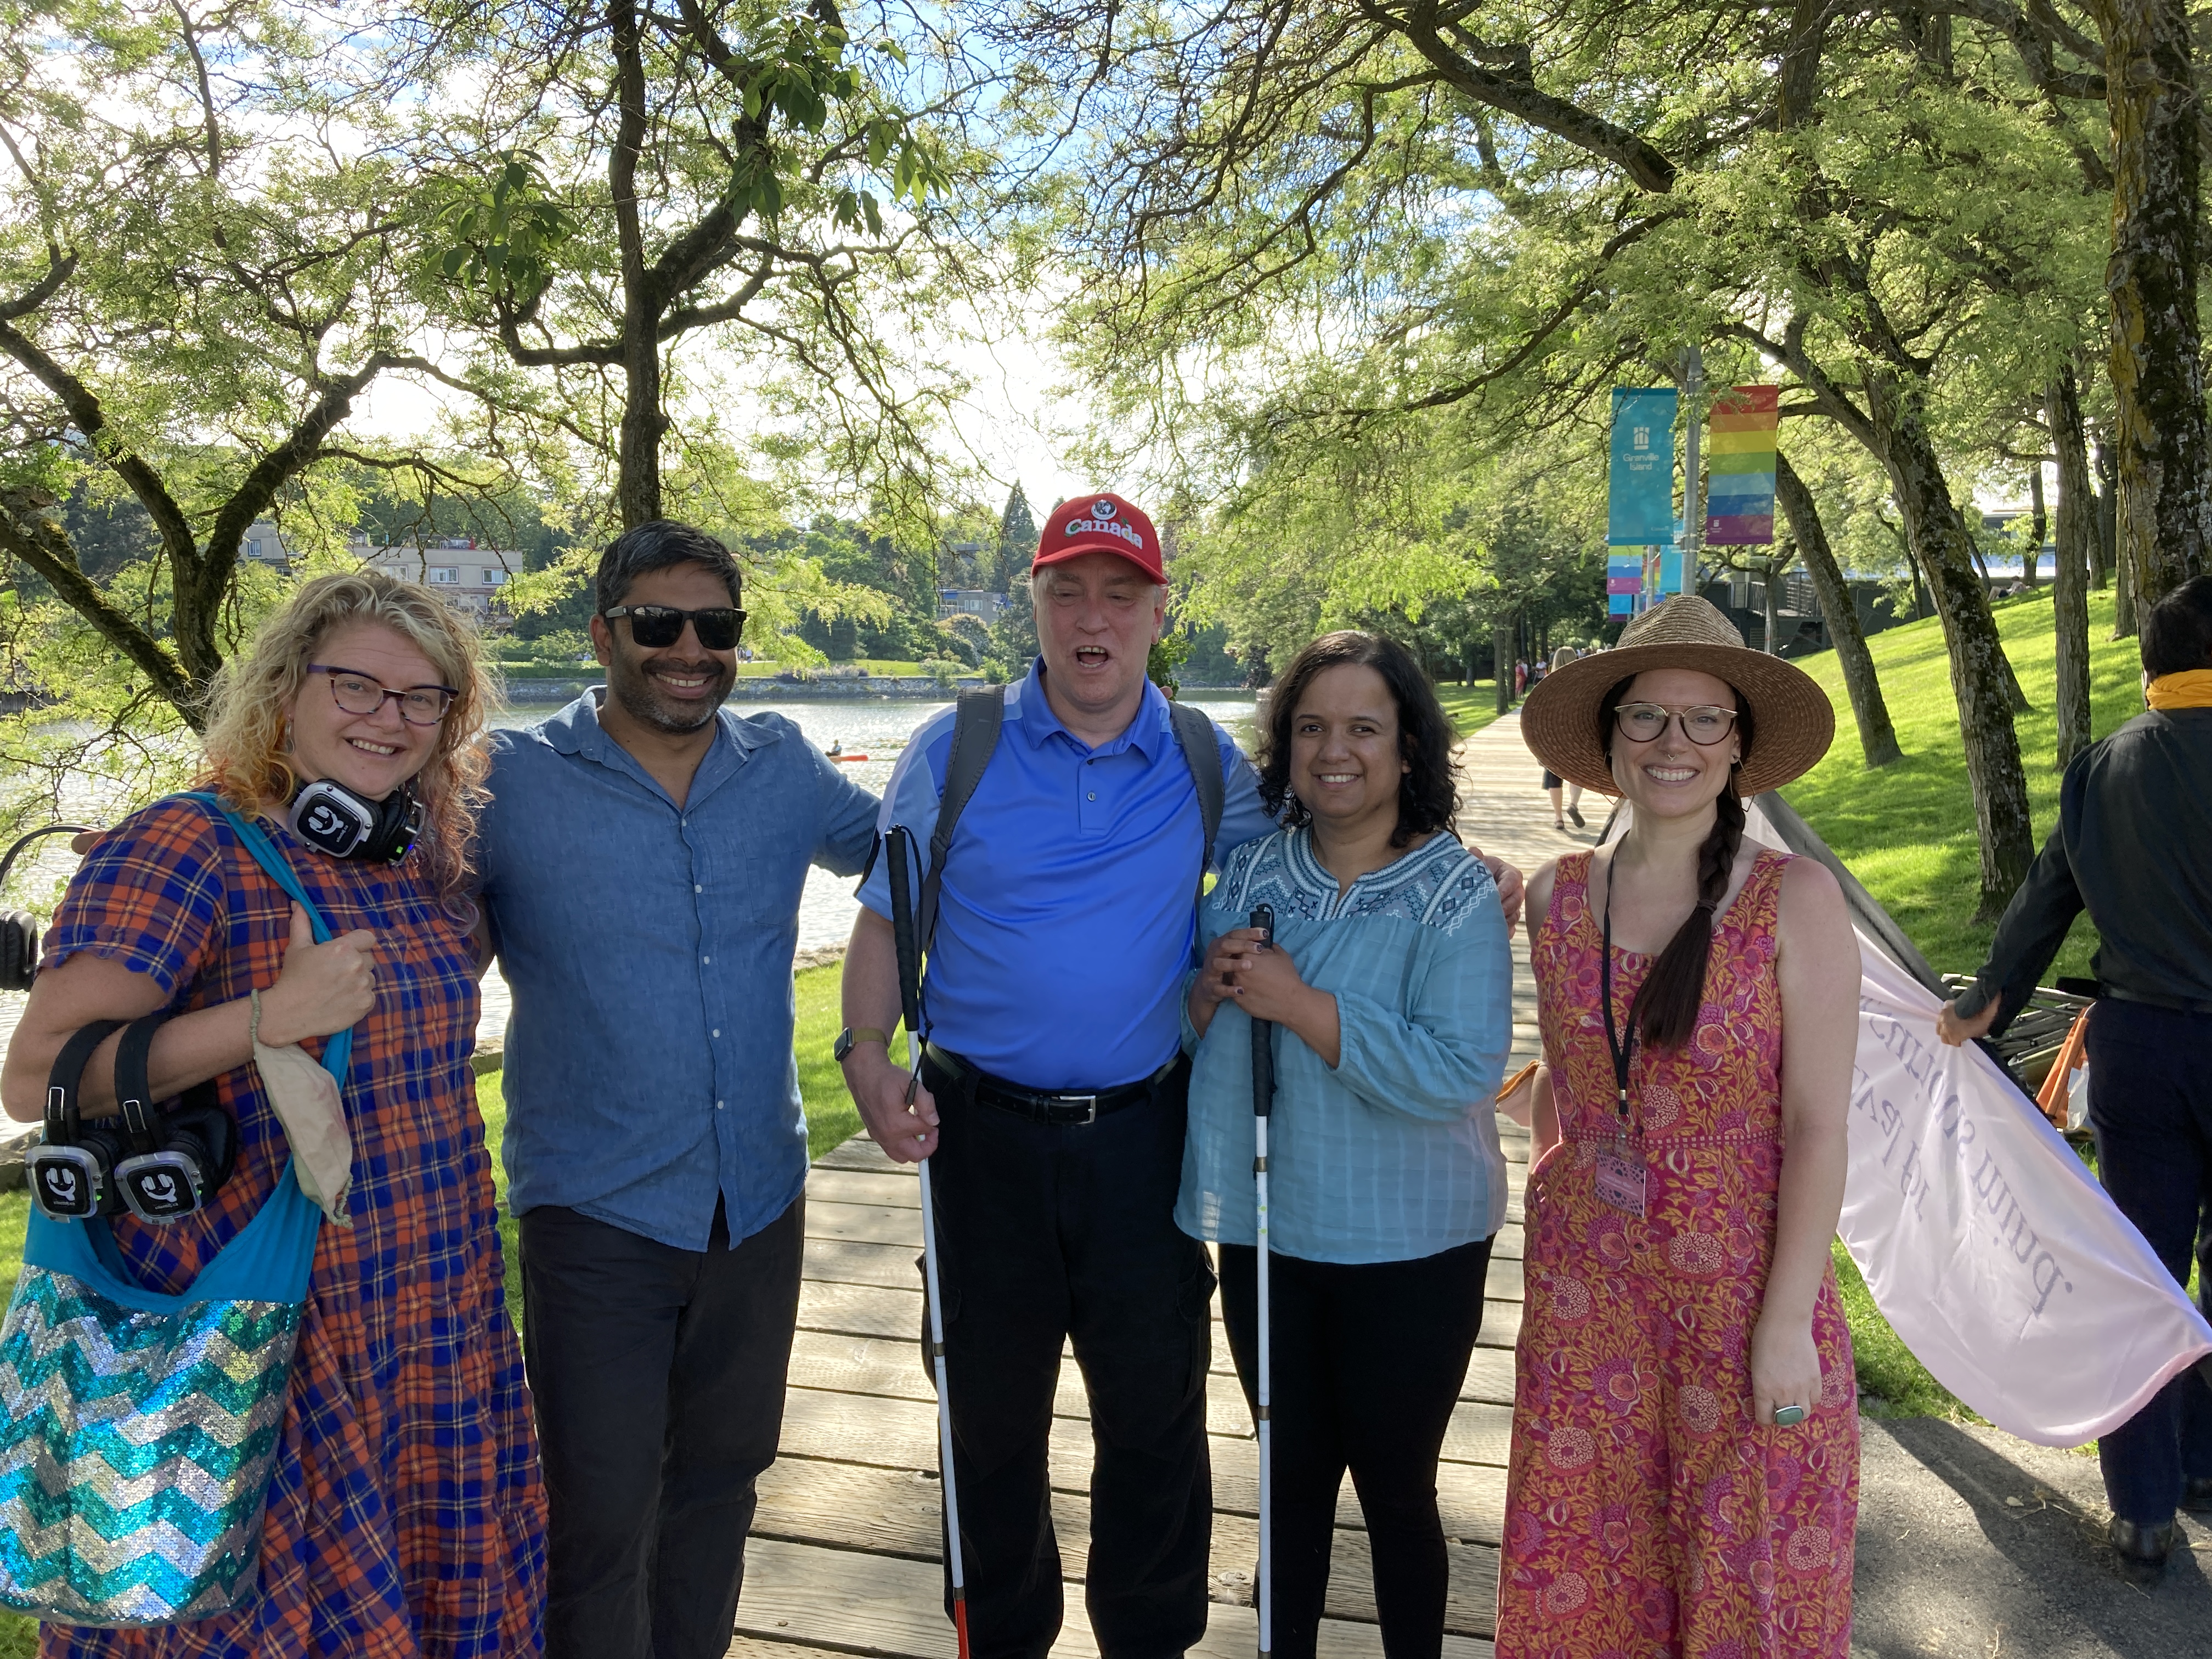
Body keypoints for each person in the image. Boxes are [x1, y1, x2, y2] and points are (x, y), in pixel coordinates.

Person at [840, 492, 1524, 1657]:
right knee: (989, 1421)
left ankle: (1148, 1642)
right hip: (975, 1135)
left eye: (1121, 594)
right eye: (1068, 591)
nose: (1092, 618)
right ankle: (999, 1637)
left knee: (1154, 1421)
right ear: (1037, 605)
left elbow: (1340, 807)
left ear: (1162, 613)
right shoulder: (952, 746)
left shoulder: (1208, 763)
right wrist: (864, 1059)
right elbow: (882, 924)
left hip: (1140, 1137)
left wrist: (1478, 866)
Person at [0, 572, 545, 1655]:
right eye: (357, 686)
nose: (387, 718)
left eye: (421, 699)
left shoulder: (413, 866)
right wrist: (270, 1017)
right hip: (274, 1326)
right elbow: (35, 1075)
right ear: (287, 691)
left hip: (434, 1308)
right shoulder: (186, 846)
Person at [475, 521, 878, 1658]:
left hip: (758, 1201)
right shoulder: (506, 782)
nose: (689, 648)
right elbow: (396, 920)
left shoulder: (786, 767)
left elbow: (914, 860)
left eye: (717, 626)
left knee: (721, 1488)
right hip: (594, 1210)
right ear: (605, 633)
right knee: (599, 1520)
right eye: (659, 624)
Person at [1499, 594, 1860, 1656]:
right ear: (1609, 739)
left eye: (1706, 720)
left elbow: (1818, 1127)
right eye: (1648, 717)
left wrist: (1788, 1322)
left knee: (1746, 1586)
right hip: (1588, 1303)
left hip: (1746, 1298)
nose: (1676, 743)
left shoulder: (1796, 900)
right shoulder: (1557, 899)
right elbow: (1564, 1080)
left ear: (1740, 744)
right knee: (1589, 1581)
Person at [1179, 631, 1513, 1657]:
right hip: (1271, 1227)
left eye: (1364, 727)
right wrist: (1208, 986)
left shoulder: (1456, 894)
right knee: (1286, 1479)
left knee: (1395, 1484)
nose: (1336, 749)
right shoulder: (1244, 872)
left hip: (1409, 1246)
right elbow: (1193, 1031)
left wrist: (1305, 1005)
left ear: (1408, 747)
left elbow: (1459, 1069)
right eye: (1312, 726)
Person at [1937, 573, 2212, 1586]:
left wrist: (1982, 1005)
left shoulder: (2102, 766)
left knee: (2138, 1272)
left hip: (2134, 1048)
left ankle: (2141, 1511)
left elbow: (2044, 897)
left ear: (2153, 668)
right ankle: (2205, 1468)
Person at [1543, 646, 1587, 831]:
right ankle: (1573, 805)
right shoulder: (1582, 683)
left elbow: (1539, 713)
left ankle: (1559, 818)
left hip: (1552, 736)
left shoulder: (1547, 683)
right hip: (1575, 734)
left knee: (1554, 778)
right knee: (1576, 773)